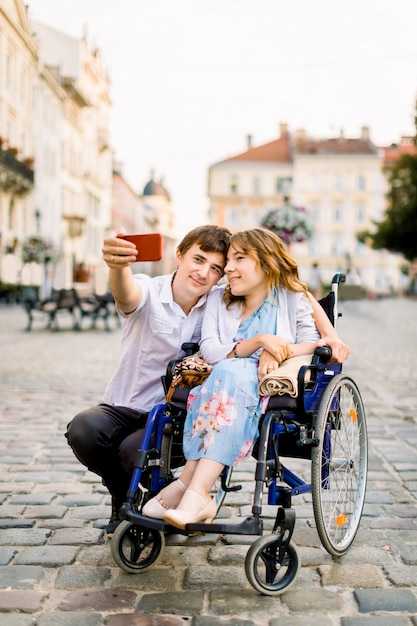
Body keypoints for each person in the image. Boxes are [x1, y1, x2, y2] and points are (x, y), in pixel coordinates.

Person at [142, 228, 340, 528]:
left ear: (266, 261)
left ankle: (193, 488)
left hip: (265, 384)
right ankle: (193, 490)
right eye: (229, 261)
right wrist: (259, 342)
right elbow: (209, 350)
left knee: (231, 374)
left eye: (239, 259)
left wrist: (277, 350)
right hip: (222, 379)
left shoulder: (291, 298)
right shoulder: (219, 299)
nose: (228, 268)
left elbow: (314, 344)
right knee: (228, 372)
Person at [65, 224, 232, 534]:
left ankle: (162, 493)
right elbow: (127, 295)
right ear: (179, 255)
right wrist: (118, 268)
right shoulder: (149, 288)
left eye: (215, 268)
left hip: (179, 416)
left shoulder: (220, 306)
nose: (203, 273)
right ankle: (123, 496)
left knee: (132, 452)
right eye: (198, 259)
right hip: (126, 403)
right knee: (83, 429)